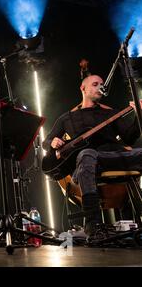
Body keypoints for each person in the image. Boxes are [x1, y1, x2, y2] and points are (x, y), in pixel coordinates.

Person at [42, 74, 142, 236]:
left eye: (102, 85)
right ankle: (92, 222)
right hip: (86, 163)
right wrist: (52, 142)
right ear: (83, 89)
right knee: (87, 153)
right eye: (95, 84)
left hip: (113, 157)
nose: (100, 87)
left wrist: (139, 116)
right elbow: (46, 142)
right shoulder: (67, 118)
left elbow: (129, 138)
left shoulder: (111, 113)